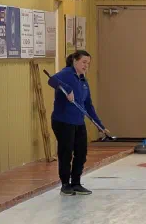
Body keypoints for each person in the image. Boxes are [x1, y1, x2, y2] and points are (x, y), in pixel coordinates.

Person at [47, 50, 110, 196]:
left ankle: (76, 182)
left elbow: (88, 105)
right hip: (63, 121)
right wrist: (67, 90)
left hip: (78, 121)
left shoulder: (83, 81)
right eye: (83, 62)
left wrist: (100, 125)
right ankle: (65, 184)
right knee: (66, 152)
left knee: (81, 153)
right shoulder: (66, 73)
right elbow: (52, 80)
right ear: (75, 61)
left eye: (88, 63)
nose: (86, 66)